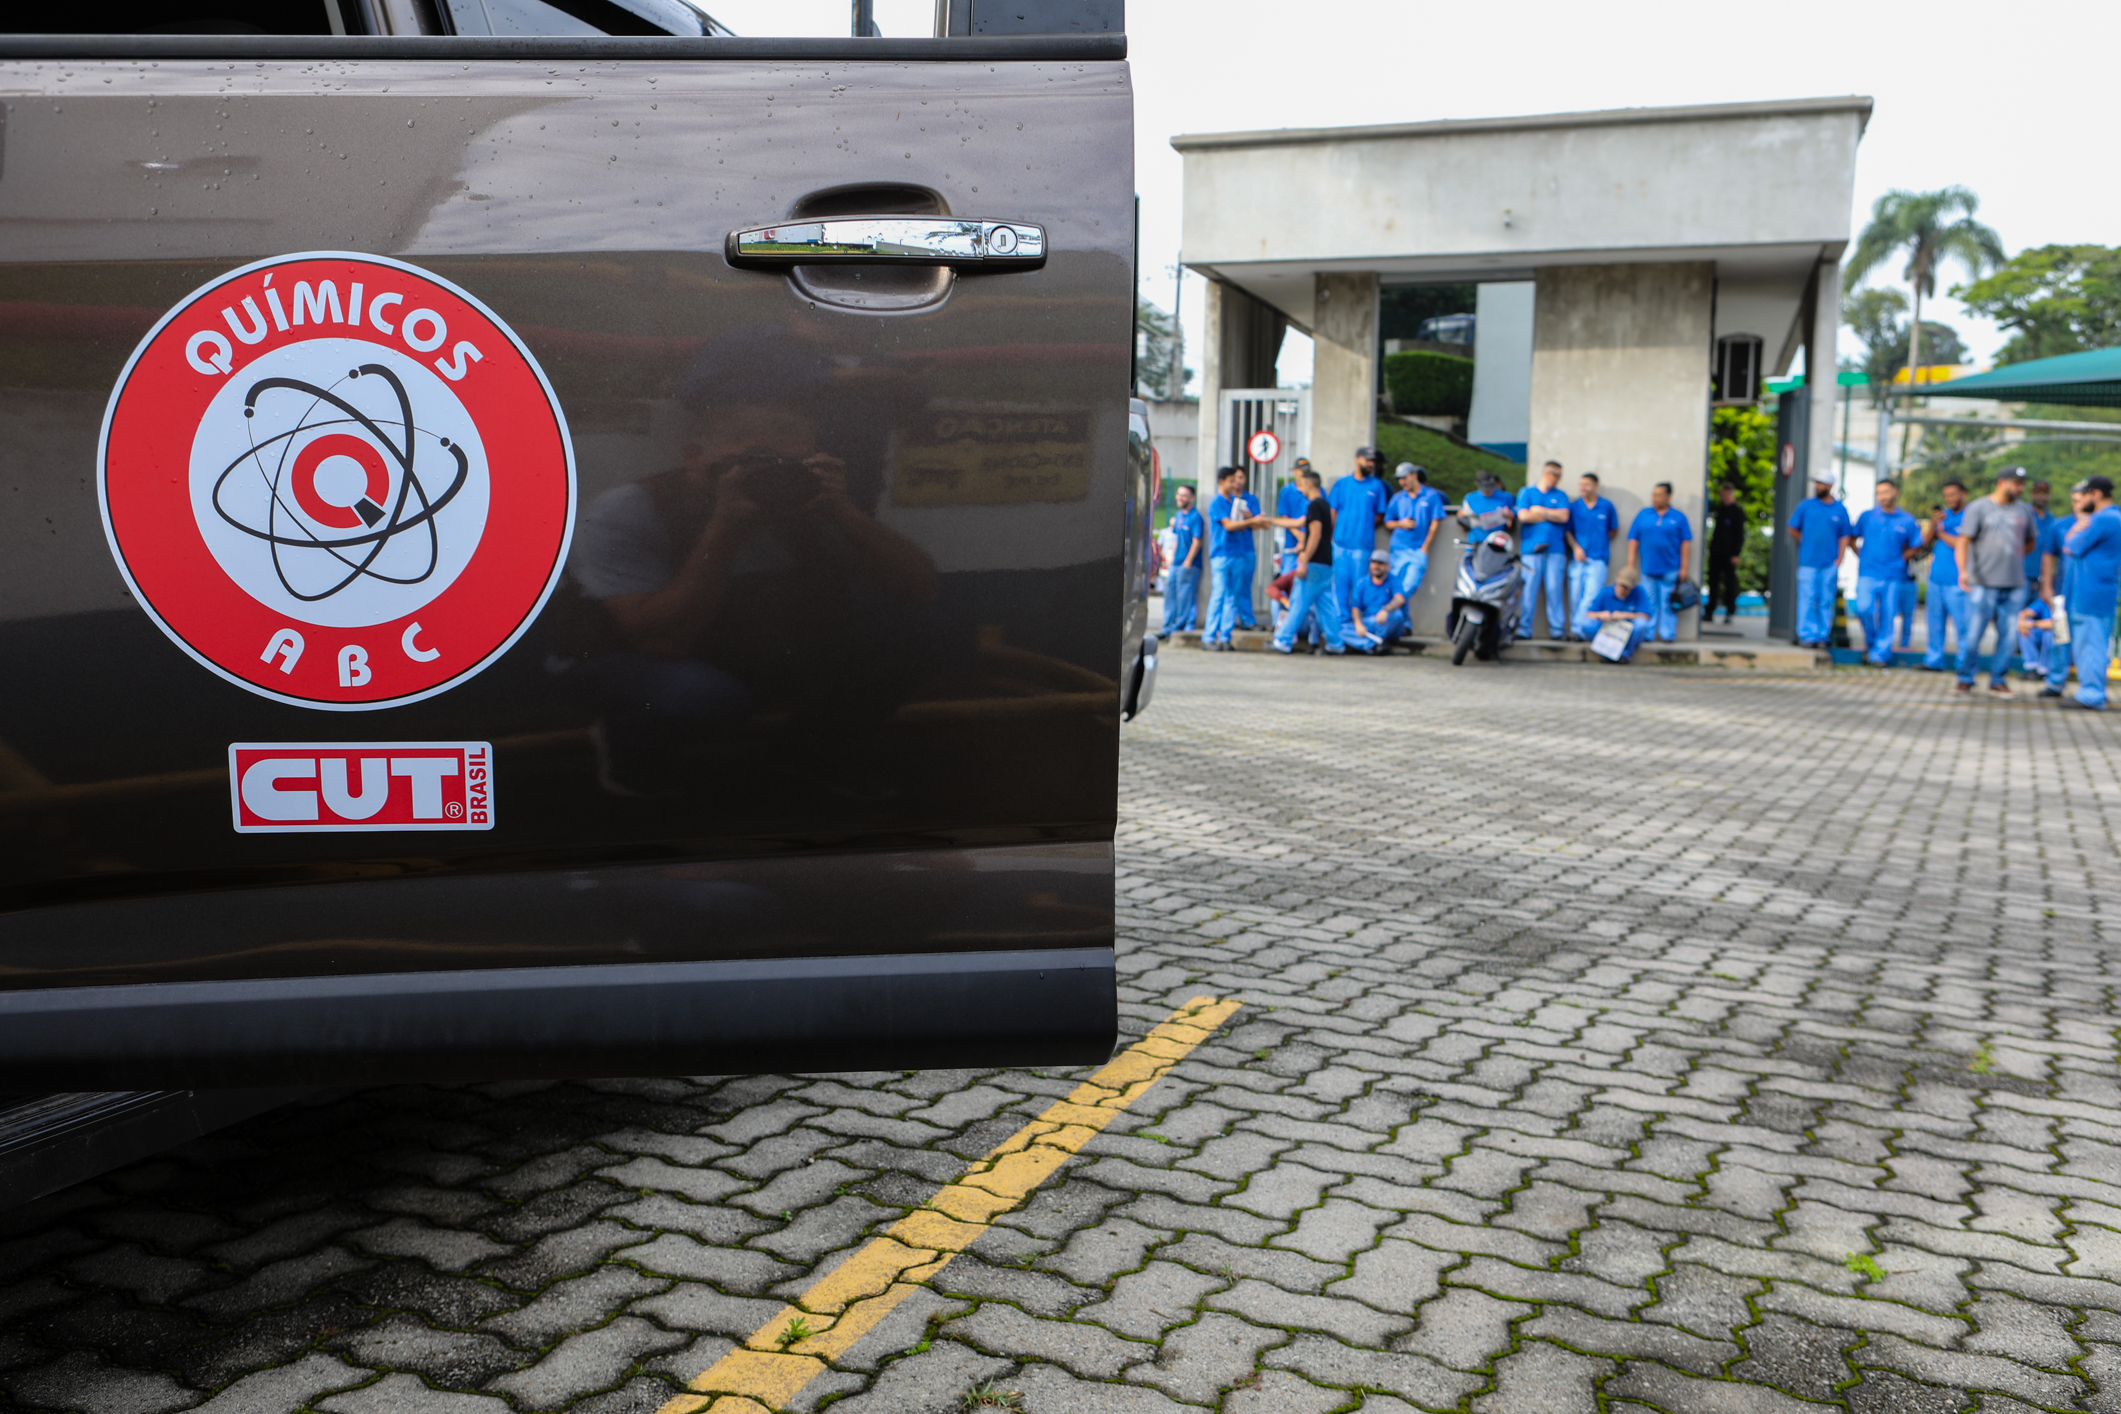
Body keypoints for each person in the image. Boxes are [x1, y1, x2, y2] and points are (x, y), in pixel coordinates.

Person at [1955, 466, 2040, 696]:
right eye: (2016, 483)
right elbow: (1963, 541)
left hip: (2015, 584)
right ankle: (1965, 677)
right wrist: (1963, 571)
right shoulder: (1979, 507)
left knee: (2009, 635)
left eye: (2023, 484)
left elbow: (2031, 542)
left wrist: (2012, 557)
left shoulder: (2024, 510)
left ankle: (1997, 679)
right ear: (2002, 483)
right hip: (1982, 582)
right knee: (1973, 635)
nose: (2021, 488)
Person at [2058, 475, 2121, 710]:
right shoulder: (2112, 517)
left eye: (2083, 495)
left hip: (2091, 595)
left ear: (2094, 494)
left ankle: (2092, 695)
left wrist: (2075, 526)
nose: (2081, 501)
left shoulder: (2103, 519)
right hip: (2095, 592)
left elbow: (2070, 546)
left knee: (2091, 645)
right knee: (2090, 644)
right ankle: (2091, 691)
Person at [1272, 467, 1348, 655]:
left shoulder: (1314, 505)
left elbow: (1314, 534)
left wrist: (1304, 559)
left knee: (1298, 602)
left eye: (1301, 485)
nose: (1300, 489)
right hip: (1325, 563)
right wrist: (1269, 520)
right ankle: (1336, 643)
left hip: (1313, 563)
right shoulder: (1324, 505)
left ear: (1309, 484)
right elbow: (1298, 523)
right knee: (1326, 605)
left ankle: (1283, 640)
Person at [1850, 480, 1922, 667]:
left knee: (1887, 615)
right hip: (1868, 573)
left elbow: (1917, 545)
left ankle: (1879, 656)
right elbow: (1852, 537)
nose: (1882, 496)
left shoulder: (1906, 520)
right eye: (1879, 493)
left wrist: (1902, 558)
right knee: (1863, 608)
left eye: (1886, 492)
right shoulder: (1867, 516)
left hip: (1894, 575)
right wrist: (1860, 555)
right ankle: (1872, 643)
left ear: (1895, 492)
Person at [1327, 447, 1391, 635]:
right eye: (1367, 460)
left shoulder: (1377, 486)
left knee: (1358, 586)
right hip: (1339, 544)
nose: (1370, 464)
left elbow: (1380, 514)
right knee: (1339, 585)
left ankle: (1357, 624)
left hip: (1362, 547)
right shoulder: (1342, 484)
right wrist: (1330, 537)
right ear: (1357, 460)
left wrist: (1363, 526)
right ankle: (1340, 623)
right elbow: (1333, 511)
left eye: (1372, 461)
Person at [2034, 485, 2091, 696]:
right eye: (2075, 500)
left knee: (2088, 642)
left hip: (2089, 594)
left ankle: (2089, 686)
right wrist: (2046, 586)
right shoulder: (2060, 525)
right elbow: (2049, 556)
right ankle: (2056, 681)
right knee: (2060, 638)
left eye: (2082, 500)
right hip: (2063, 593)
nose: (2079, 505)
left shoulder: (2099, 524)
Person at [1787, 470, 1852, 649]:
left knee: (1825, 600)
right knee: (1807, 599)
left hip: (1829, 564)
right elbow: (1792, 528)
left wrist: (1839, 558)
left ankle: (1823, 636)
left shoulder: (1840, 509)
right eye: (1816, 483)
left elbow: (1845, 536)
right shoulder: (1805, 506)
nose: (1818, 486)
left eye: (1821, 483)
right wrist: (1805, 541)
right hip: (1808, 562)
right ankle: (1807, 636)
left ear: (1830, 486)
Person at [1203, 466, 1266, 651]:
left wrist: (1250, 519)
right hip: (1222, 555)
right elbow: (1229, 525)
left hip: (1238, 554)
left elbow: (1245, 525)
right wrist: (1251, 521)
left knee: (1233, 597)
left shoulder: (1237, 502)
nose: (1235, 484)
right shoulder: (1217, 502)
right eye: (1231, 480)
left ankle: (1225, 637)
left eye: (1236, 480)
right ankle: (1208, 637)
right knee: (1219, 595)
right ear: (1222, 481)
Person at [1625, 482, 1693, 642]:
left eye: (1659, 495)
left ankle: (1668, 635)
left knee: (1668, 604)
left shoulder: (1679, 517)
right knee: (1649, 603)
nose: (1655, 498)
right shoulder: (1643, 514)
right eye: (1653, 495)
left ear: (1668, 496)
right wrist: (1631, 563)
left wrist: (1684, 567)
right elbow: (1633, 539)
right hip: (1647, 568)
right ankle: (1648, 634)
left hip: (1670, 568)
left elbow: (1686, 542)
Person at [1514, 460, 1571, 640]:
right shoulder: (1527, 492)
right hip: (1531, 550)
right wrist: (1550, 515)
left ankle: (1557, 630)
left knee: (1554, 589)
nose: (1558, 479)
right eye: (1555, 474)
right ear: (1546, 473)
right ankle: (1524, 629)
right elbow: (1523, 516)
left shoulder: (1561, 495)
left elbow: (1563, 516)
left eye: (1560, 475)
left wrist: (1539, 511)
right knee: (1529, 589)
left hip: (1556, 550)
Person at [1920, 482, 1970, 671]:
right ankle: (1933, 661)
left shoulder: (1971, 515)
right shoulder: (1944, 515)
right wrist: (1934, 523)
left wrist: (1941, 533)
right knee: (1934, 624)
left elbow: (1962, 544)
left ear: (1963, 494)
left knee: (1963, 626)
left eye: (1953, 495)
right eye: (1946, 496)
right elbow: (1925, 541)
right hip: (1936, 578)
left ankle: (1964, 664)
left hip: (1958, 580)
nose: (1949, 499)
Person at [1565, 472, 1621, 640]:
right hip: (1577, 560)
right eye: (1581, 484)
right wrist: (1576, 548)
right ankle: (1578, 629)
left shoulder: (1606, 506)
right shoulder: (1574, 507)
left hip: (1598, 559)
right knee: (1575, 597)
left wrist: (1599, 544)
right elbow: (1568, 531)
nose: (1583, 488)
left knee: (1590, 596)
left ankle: (1578, 630)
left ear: (1596, 486)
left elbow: (1613, 530)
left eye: (1587, 484)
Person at [1385, 463, 1444, 607]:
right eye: (1399, 479)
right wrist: (1401, 524)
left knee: (1409, 585)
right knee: (1395, 588)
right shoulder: (1398, 498)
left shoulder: (1431, 496)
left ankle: (1389, 612)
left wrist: (1425, 547)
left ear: (1414, 475)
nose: (1402, 482)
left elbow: (1435, 523)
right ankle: (1404, 625)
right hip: (1398, 549)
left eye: (1404, 477)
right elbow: (1388, 522)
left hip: (1418, 550)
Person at [2019, 479, 2057, 678]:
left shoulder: (2052, 520)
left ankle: (2041, 663)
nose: (2040, 496)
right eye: (2037, 492)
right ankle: (2021, 655)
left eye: (2044, 492)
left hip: (2043, 577)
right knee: (2019, 616)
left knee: (2044, 620)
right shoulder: (2024, 515)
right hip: (2021, 573)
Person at [1271, 459, 1313, 631]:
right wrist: (1300, 536)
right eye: (1300, 470)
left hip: (1310, 549)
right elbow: (1284, 517)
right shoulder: (1287, 491)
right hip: (1291, 548)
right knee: (1284, 586)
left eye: (1306, 470)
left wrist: (1306, 540)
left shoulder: (1315, 490)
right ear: (1294, 471)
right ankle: (1278, 625)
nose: (1302, 473)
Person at [1583, 563, 1655, 662]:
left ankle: (1625, 655)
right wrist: (1601, 615)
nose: (1623, 589)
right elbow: (1589, 614)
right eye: (1621, 585)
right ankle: (1606, 652)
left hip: (1627, 631)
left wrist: (1625, 615)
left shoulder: (1639, 591)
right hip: (1608, 630)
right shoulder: (1606, 592)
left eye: (1627, 587)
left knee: (1641, 624)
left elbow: (1646, 616)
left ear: (1633, 586)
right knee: (1587, 624)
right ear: (1617, 578)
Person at [1346, 549, 1408, 653]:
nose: (1376, 566)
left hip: (1385, 621)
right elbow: (1355, 607)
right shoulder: (1362, 582)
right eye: (1374, 562)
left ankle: (1366, 644)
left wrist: (1386, 610)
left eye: (1380, 563)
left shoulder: (1393, 581)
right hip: (1368, 623)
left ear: (1388, 566)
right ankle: (1373, 646)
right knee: (1341, 629)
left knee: (1397, 615)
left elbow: (1400, 599)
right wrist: (1358, 624)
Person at [1163, 484, 1204, 634]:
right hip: (1176, 562)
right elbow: (1177, 539)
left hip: (1189, 565)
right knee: (1170, 595)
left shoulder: (1196, 517)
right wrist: (1172, 555)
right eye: (1179, 494)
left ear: (1192, 498)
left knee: (1184, 597)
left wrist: (1188, 561)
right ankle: (1167, 628)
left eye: (1184, 495)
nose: (1180, 498)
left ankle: (1179, 627)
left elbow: (1197, 541)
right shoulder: (1179, 515)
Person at [1707, 482, 1747, 624]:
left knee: (1729, 584)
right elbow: (1716, 534)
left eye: (1724, 494)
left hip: (1729, 555)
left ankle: (1730, 612)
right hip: (1717, 553)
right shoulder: (1721, 510)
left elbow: (1740, 534)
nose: (1722, 497)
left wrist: (1736, 553)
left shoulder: (1737, 511)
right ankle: (1709, 611)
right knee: (1713, 583)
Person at [1459, 469, 1516, 545]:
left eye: (1488, 486)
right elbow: (1462, 520)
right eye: (1484, 488)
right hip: (1476, 540)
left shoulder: (1506, 497)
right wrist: (1461, 516)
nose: (1487, 491)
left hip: (1497, 542)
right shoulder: (1469, 498)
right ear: (1477, 483)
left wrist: (1510, 517)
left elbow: (1511, 523)